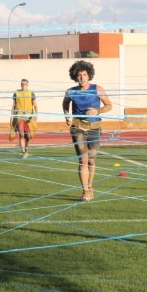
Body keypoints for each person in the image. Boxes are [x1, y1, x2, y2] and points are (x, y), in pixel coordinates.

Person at [62, 61, 112, 202]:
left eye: (84, 74)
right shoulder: (71, 91)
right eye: (79, 75)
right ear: (75, 76)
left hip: (94, 127)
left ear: (89, 75)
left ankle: (90, 186)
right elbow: (65, 104)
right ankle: (85, 191)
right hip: (78, 127)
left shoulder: (97, 89)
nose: (82, 77)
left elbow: (109, 105)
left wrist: (98, 111)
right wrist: (67, 116)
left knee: (91, 159)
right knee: (83, 159)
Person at [10, 78, 38, 158]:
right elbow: (13, 105)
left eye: (25, 84)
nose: (23, 86)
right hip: (19, 117)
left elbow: (35, 105)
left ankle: (26, 149)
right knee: (22, 134)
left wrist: (36, 114)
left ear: (27, 85)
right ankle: (23, 152)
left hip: (29, 117)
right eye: (22, 84)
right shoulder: (16, 93)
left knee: (28, 136)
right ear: (20, 85)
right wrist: (11, 116)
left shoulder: (31, 93)